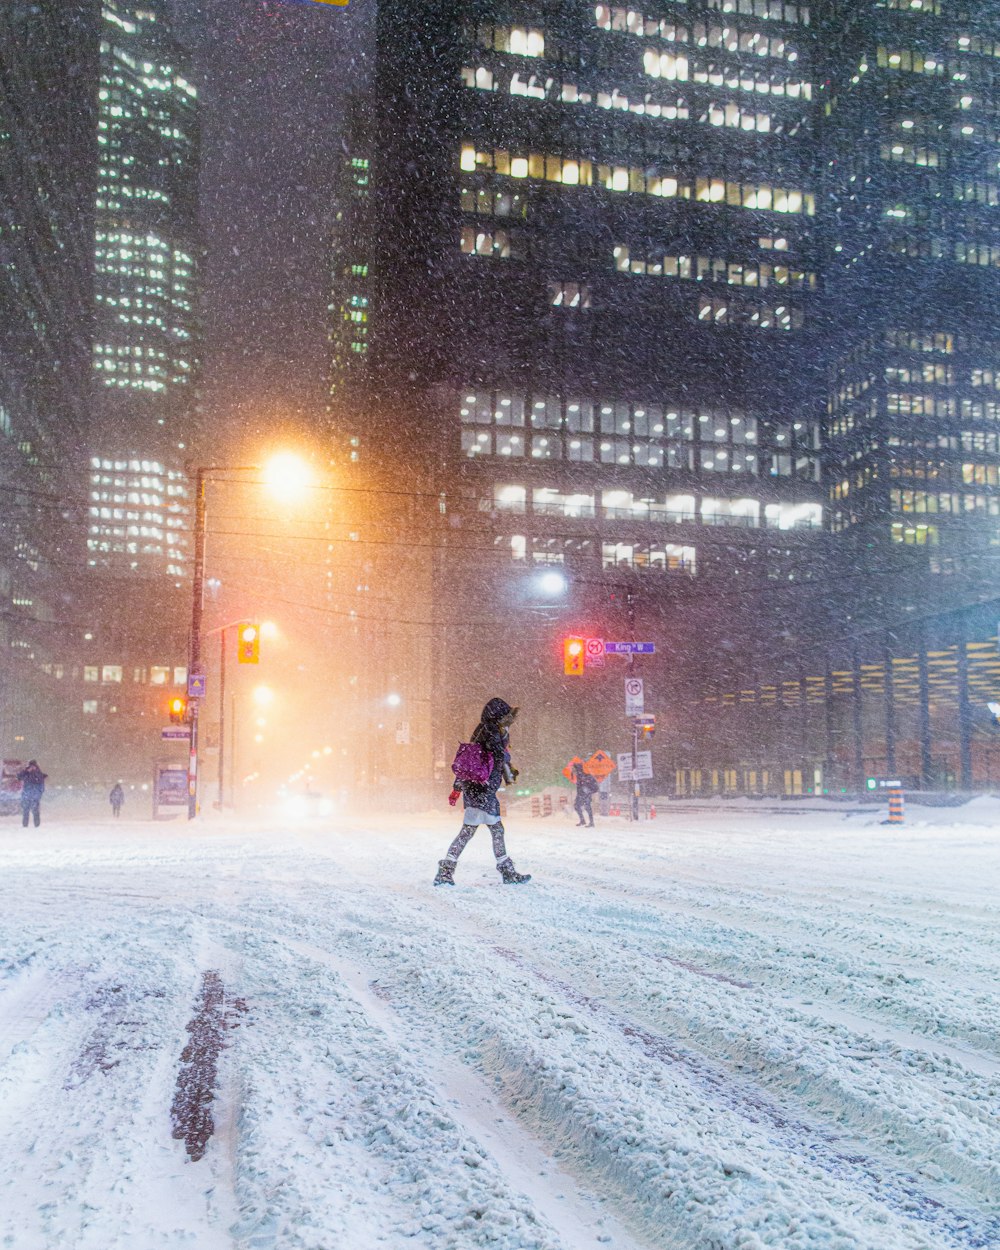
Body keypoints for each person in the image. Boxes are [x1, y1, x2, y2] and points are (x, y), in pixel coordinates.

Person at [435, 698, 531, 886]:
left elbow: (469, 762)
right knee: (478, 832)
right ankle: (447, 871)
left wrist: (457, 788)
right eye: (505, 717)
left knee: (483, 831)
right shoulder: (491, 732)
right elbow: (499, 755)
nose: (508, 721)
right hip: (483, 790)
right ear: (497, 716)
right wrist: (506, 748)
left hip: (478, 790)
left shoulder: (482, 731)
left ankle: (447, 870)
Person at [17, 760, 47, 828]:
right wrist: (26, 770)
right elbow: (18, 777)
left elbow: (41, 786)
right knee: (26, 811)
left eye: (34, 766)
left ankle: (37, 826)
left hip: (34, 796)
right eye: (31, 766)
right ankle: (25, 825)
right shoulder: (26, 773)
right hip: (26, 795)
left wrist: (38, 794)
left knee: (35, 811)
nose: (32, 768)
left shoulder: (39, 774)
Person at [572, 762, 597, 828]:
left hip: (586, 794)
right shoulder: (579, 776)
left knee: (587, 807)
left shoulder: (584, 776)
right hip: (580, 794)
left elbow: (591, 786)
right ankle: (583, 821)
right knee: (577, 806)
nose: (574, 771)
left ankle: (591, 823)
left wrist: (588, 792)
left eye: (574, 769)